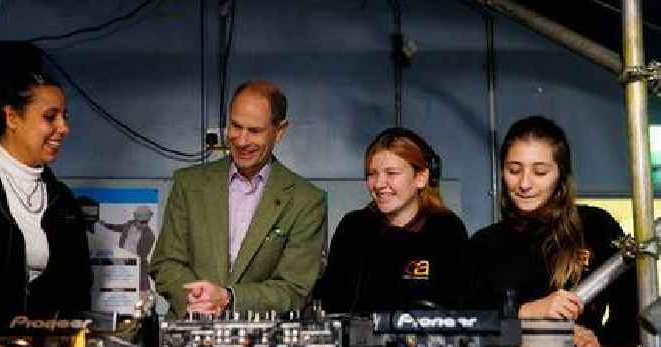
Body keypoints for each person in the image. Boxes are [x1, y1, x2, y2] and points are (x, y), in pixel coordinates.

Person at [462, 115, 639, 347]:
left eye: (540, 171)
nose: (525, 183)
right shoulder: (484, 244)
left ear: (560, 175)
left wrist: (600, 344)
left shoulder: (597, 227)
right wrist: (527, 312)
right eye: (514, 169)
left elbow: (633, 317)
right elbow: (463, 327)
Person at [150, 80, 327, 318]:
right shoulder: (188, 184)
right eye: (235, 126)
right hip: (190, 334)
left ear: (280, 131)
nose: (242, 141)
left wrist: (229, 298)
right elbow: (166, 262)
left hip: (263, 345)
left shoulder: (307, 201)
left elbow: (294, 289)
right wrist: (198, 303)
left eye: (254, 131)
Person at [0, 70, 92, 339]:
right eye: (49, 117)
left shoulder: (63, 201)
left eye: (64, 116)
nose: (64, 128)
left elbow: (77, 294)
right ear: (12, 117)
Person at [321, 127, 467, 314]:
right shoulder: (353, 228)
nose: (379, 184)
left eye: (391, 173)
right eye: (372, 174)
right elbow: (331, 303)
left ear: (421, 177)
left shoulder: (447, 230)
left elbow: (459, 307)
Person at [100, 205, 156, 292]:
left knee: (141, 290)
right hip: (123, 262)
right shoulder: (129, 225)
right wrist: (105, 225)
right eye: (141, 222)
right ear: (135, 219)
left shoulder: (149, 235)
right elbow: (117, 227)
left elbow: (141, 256)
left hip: (137, 266)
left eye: (146, 222)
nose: (144, 225)